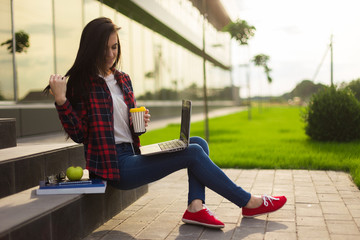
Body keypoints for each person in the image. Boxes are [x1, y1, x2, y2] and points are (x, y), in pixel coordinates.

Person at [46, 17, 286, 229]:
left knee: (197, 142)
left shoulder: (123, 79)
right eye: (105, 49)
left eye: (115, 47)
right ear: (92, 49)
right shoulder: (81, 84)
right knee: (192, 152)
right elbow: (79, 134)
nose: (111, 54)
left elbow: (129, 129)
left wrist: (138, 123)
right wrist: (61, 99)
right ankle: (249, 202)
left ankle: (195, 207)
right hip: (115, 167)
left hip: (131, 153)